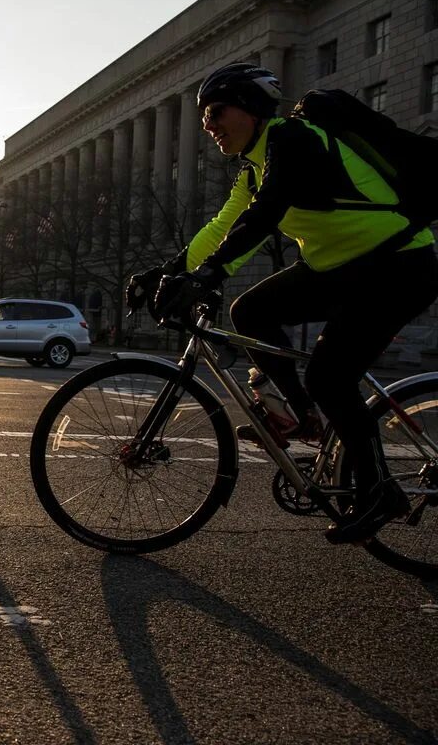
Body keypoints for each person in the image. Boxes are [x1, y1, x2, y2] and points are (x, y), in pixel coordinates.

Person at [129, 63, 438, 544]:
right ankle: (301, 417)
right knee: (249, 312)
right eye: (203, 118)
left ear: (250, 109)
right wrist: (167, 271)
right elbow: (223, 228)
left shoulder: (294, 138)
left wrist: (211, 274)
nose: (208, 126)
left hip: (397, 266)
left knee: (330, 376)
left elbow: (266, 212)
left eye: (215, 112)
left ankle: (379, 489)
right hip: (342, 268)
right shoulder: (254, 168)